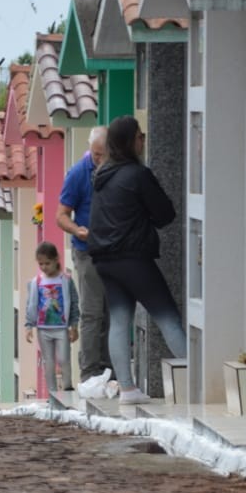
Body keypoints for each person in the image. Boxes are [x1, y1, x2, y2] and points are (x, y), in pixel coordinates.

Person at [87, 116, 186, 405]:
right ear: (130, 141)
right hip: (133, 258)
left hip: (104, 260)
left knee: (119, 320)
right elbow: (166, 214)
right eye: (140, 136)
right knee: (168, 317)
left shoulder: (101, 175)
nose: (143, 140)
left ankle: (128, 390)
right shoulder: (138, 174)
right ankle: (195, 381)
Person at [56, 126, 114, 383]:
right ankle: (90, 372)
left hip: (114, 251)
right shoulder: (79, 173)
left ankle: (110, 368)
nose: (99, 159)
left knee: (114, 311)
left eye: (104, 154)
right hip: (87, 252)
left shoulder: (116, 169)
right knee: (92, 312)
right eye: (96, 154)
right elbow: (61, 216)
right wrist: (77, 231)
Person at [23, 241, 79, 396]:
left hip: (61, 328)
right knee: (48, 362)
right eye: (41, 264)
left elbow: (74, 302)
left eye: (47, 263)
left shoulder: (65, 280)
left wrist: (74, 326)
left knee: (64, 359)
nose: (44, 267)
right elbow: (31, 304)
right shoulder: (36, 282)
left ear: (56, 260)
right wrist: (28, 326)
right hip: (43, 329)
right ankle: (52, 392)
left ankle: (68, 388)